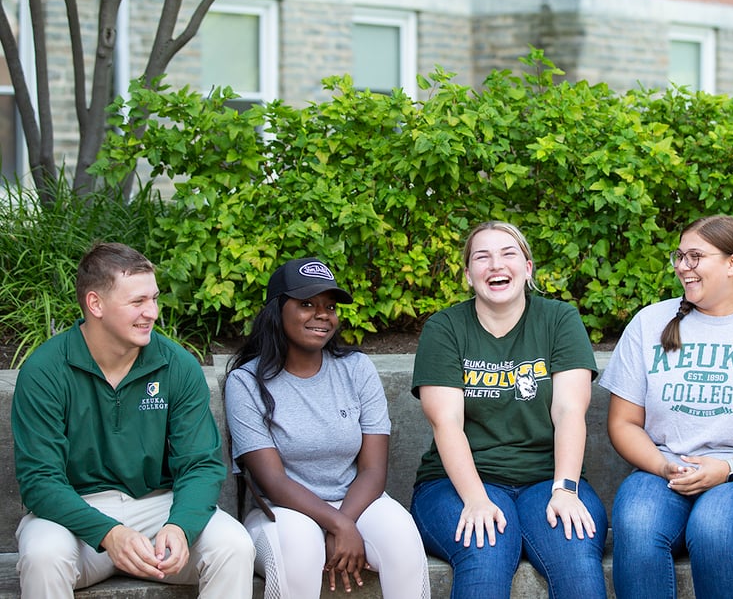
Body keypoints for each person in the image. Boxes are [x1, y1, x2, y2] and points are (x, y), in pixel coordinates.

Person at [11, 242, 254, 598]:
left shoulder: (177, 365)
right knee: (42, 555)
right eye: (137, 302)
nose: (152, 312)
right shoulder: (46, 370)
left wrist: (181, 525)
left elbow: (200, 464)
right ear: (95, 304)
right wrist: (110, 533)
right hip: (76, 516)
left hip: (160, 509)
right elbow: (39, 480)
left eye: (154, 299)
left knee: (233, 546)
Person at [600, 214, 733, 599]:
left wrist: (727, 469)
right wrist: (661, 464)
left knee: (714, 528)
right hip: (663, 470)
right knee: (637, 523)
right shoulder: (649, 323)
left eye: (695, 257)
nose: (683, 267)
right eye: (679, 256)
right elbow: (623, 423)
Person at [409, 221, 608, 599]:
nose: (496, 265)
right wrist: (476, 499)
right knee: (485, 549)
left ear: (528, 268)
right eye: (482, 257)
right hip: (458, 483)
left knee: (575, 555)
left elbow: (569, 411)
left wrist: (565, 489)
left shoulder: (559, 320)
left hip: (546, 480)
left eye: (508, 254)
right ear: (468, 275)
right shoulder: (445, 328)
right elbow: (446, 422)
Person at [224, 257, 430, 599]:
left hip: (356, 502)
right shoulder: (246, 382)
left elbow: (373, 469)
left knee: (404, 540)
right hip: (282, 511)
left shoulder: (356, 368)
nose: (322, 315)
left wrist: (344, 522)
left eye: (329, 306)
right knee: (302, 552)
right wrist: (336, 525)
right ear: (278, 310)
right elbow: (273, 482)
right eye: (306, 304)